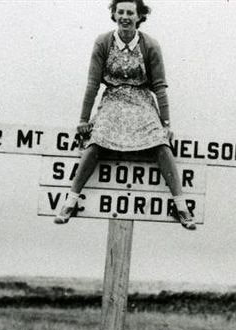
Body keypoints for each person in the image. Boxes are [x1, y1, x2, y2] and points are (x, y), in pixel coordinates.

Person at [54, 0, 196, 230]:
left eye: (130, 13)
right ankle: (70, 201)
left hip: (141, 101)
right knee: (96, 140)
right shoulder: (103, 42)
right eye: (120, 12)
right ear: (114, 14)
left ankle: (181, 205)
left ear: (139, 16)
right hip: (113, 99)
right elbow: (92, 84)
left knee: (161, 143)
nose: (125, 17)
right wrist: (83, 119)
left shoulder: (150, 45)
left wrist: (166, 122)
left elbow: (159, 86)